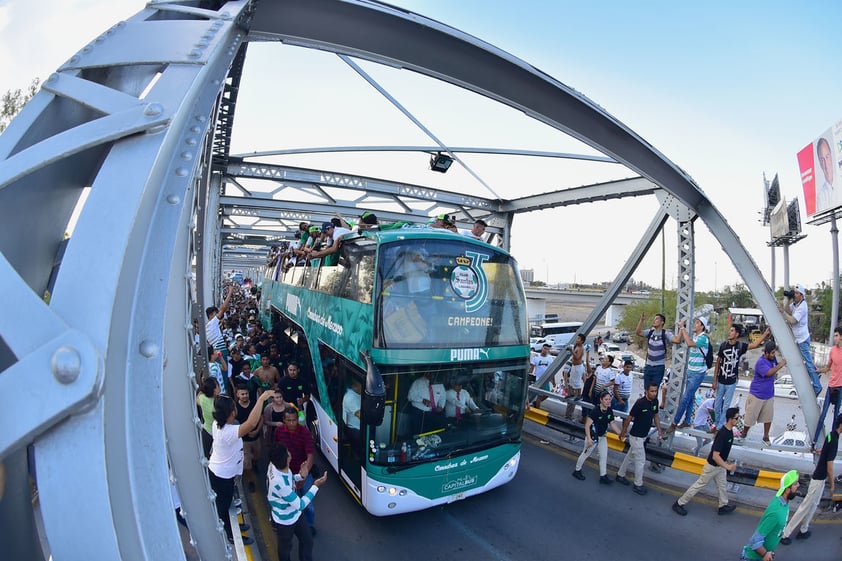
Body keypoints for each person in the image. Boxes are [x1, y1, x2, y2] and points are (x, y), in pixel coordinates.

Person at [208, 390, 274, 544]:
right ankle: (231, 535)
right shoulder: (229, 432)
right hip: (222, 476)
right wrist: (262, 399)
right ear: (232, 412)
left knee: (227, 501)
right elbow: (251, 423)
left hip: (223, 474)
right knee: (223, 507)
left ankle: (234, 526)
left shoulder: (218, 424)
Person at [779, 413, 842, 545]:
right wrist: (832, 485)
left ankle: (804, 529)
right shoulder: (834, 441)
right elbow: (830, 467)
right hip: (819, 478)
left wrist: (819, 452)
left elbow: (824, 451)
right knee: (805, 506)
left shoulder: (830, 435)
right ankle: (785, 533)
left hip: (820, 477)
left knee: (813, 504)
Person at [672, 406, 740, 516]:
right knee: (699, 485)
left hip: (720, 466)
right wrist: (727, 466)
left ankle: (723, 505)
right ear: (730, 419)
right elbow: (715, 455)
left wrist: (724, 465)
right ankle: (679, 503)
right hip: (713, 466)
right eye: (737, 418)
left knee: (722, 485)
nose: (738, 420)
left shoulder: (729, 432)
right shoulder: (723, 434)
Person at [267, 443, 328, 561]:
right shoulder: (280, 483)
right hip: (284, 520)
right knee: (285, 549)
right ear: (286, 459)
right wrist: (315, 486)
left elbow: (290, 478)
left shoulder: (276, 466)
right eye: (288, 453)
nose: (290, 454)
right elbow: (300, 504)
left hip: (295, 515)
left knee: (307, 541)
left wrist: (300, 476)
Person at [713, 326, 770, 429]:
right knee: (717, 405)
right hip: (721, 380)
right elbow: (718, 363)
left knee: (726, 406)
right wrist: (714, 380)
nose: (730, 333)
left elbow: (755, 345)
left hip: (731, 382)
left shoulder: (740, 346)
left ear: (737, 334)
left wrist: (765, 334)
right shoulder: (723, 346)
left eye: (732, 331)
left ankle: (719, 427)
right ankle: (717, 424)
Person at [274, 407, 317, 535]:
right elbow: (275, 451)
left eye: (294, 420)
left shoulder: (305, 433)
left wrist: (303, 475)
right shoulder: (278, 431)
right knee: (289, 503)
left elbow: (310, 455)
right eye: (289, 420)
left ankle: (309, 525)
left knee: (308, 505)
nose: (292, 423)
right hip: (286, 474)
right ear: (284, 420)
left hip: (303, 473)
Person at [740, 470, 800, 561]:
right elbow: (755, 541)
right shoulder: (776, 513)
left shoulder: (783, 502)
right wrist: (765, 554)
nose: (798, 485)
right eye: (795, 484)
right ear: (787, 490)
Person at [616, 381, 663, 495]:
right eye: (652, 391)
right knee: (641, 460)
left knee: (630, 456)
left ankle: (620, 475)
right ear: (646, 391)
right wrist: (623, 432)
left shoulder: (655, 402)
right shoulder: (640, 403)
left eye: (656, 391)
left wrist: (660, 430)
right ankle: (638, 484)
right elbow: (629, 417)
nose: (654, 393)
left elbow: (656, 416)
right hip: (636, 436)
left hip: (643, 436)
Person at [778, 284, 822, 395]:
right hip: (798, 339)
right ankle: (813, 378)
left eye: (797, 293)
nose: (795, 295)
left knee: (807, 362)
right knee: (802, 362)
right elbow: (788, 310)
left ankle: (817, 386)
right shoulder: (796, 304)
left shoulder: (803, 306)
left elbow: (793, 320)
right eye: (795, 293)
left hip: (802, 339)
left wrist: (782, 312)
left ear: (802, 296)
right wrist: (787, 300)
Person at [668, 317, 710, 432]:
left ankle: (675, 422)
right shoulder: (697, 337)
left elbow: (690, 343)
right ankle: (687, 420)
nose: (695, 325)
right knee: (690, 397)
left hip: (697, 373)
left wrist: (682, 328)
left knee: (685, 398)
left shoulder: (703, 339)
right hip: (691, 371)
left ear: (702, 326)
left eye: (697, 323)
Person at [571, 390, 622, 484]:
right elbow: (587, 425)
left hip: (602, 437)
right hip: (593, 437)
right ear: (601, 400)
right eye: (606, 399)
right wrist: (589, 438)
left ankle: (603, 476)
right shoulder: (595, 411)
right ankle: (577, 470)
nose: (608, 401)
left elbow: (612, 423)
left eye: (609, 399)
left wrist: (620, 433)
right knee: (586, 454)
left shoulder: (609, 410)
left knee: (603, 456)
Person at [743, 341, 787, 445]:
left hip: (768, 395)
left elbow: (774, 366)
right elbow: (769, 373)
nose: (773, 355)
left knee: (768, 417)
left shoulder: (773, 359)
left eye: (774, 353)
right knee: (750, 417)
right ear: (766, 353)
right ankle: (744, 433)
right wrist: (781, 365)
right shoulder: (760, 362)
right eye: (772, 353)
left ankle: (766, 436)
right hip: (756, 394)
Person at [813, 326, 842, 446]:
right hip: (831, 386)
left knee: (836, 418)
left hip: (840, 388)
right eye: (834, 335)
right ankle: (814, 441)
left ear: (841, 337)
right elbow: (828, 367)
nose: (834, 338)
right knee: (823, 414)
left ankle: (831, 443)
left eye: (836, 336)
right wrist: (818, 370)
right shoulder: (832, 351)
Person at [234, 386, 262, 493]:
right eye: (242, 394)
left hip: (255, 438)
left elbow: (261, 417)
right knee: (246, 463)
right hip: (243, 441)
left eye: (246, 394)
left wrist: (257, 430)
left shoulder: (255, 404)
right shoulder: (235, 408)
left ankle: (255, 464)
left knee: (257, 455)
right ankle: (250, 480)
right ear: (237, 395)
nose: (245, 396)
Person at [636, 313, 674, 389]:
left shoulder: (665, 334)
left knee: (654, 390)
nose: (654, 320)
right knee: (647, 389)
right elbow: (638, 332)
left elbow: (676, 340)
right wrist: (641, 320)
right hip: (648, 366)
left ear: (662, 322)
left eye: (656, 319)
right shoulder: (650, 332)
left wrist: (682, 329)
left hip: (659, 367)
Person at [206, 285, 234, 359]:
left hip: (218, 353)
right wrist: (230, 292)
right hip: (220, 353)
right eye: (216, 313)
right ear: (211, 315)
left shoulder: (209, 326)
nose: (218, 315)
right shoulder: (212, 323)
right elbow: (223, 308)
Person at [564, 335, 588, 420]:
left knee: (577, 382)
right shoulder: (576, 346)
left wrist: (571, 351)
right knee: (571, 380)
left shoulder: (581, 348)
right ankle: (571, 394)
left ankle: (578, 394)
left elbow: (577, 357)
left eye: (578, 339)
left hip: (578, 367)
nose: (576, 340)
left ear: (582, 341)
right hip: (574, 366)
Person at [196, 377, 220, 459]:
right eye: (217, 385)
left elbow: (198, 396)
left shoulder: (203, 399)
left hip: (207, 432)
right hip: (217, 435)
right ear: (214, 390)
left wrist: (203, 387)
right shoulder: (219, 404)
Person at [815, 137, 839, 213]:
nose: (825, 163)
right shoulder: (820, 197)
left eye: (827, 157)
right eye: (822, 159)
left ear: (831, 157)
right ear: (819, 163)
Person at [529, 343, 554, 408]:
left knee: (547, 394)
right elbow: (531, 368)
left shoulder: (550, 359)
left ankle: (535, 404)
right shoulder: (536, 358)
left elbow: (552, 371)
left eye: (547, 349)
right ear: (542, 348)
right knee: (539, 396)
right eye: (545, 348)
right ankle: (537, 409)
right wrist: (529, 378)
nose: (545, 350)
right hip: (538, 380)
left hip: (546, 380)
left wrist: (553, 381)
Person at [342, 379, 363, 445]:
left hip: (360, 427)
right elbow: (362, 416)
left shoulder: (359, 393)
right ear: (356, 386)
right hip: (354, 430)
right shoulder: (350, 398)